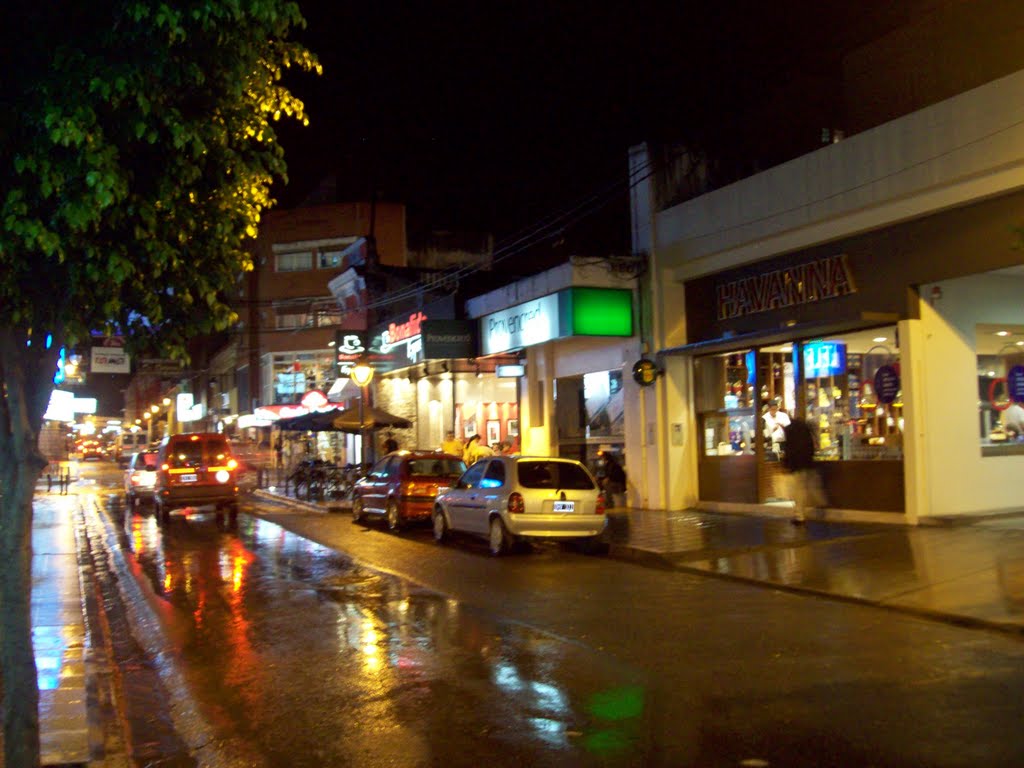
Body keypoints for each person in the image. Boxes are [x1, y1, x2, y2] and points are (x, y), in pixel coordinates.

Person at [781, 417, 824, 524]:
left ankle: (799, 516)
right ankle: (820, 503)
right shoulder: (806, 431)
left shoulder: (790, 431)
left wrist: (786, 463)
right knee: (809, 485)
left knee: (799, 490)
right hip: (807, 463)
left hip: (797, 465)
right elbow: (812, 448)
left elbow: (789, 449)